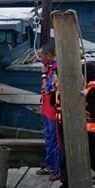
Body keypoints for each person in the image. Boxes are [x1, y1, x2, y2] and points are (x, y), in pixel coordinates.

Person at [38, 43, 63, 178]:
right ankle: (49, 165)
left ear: (49, 55)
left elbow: (48, 89)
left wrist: (43, 76)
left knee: (55, 141)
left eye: (42, 55)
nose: (40, 58)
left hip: (54, 112)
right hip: (47, 110)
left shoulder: (55, 70)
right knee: (49, 139)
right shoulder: (49, 68)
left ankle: (56, 168)